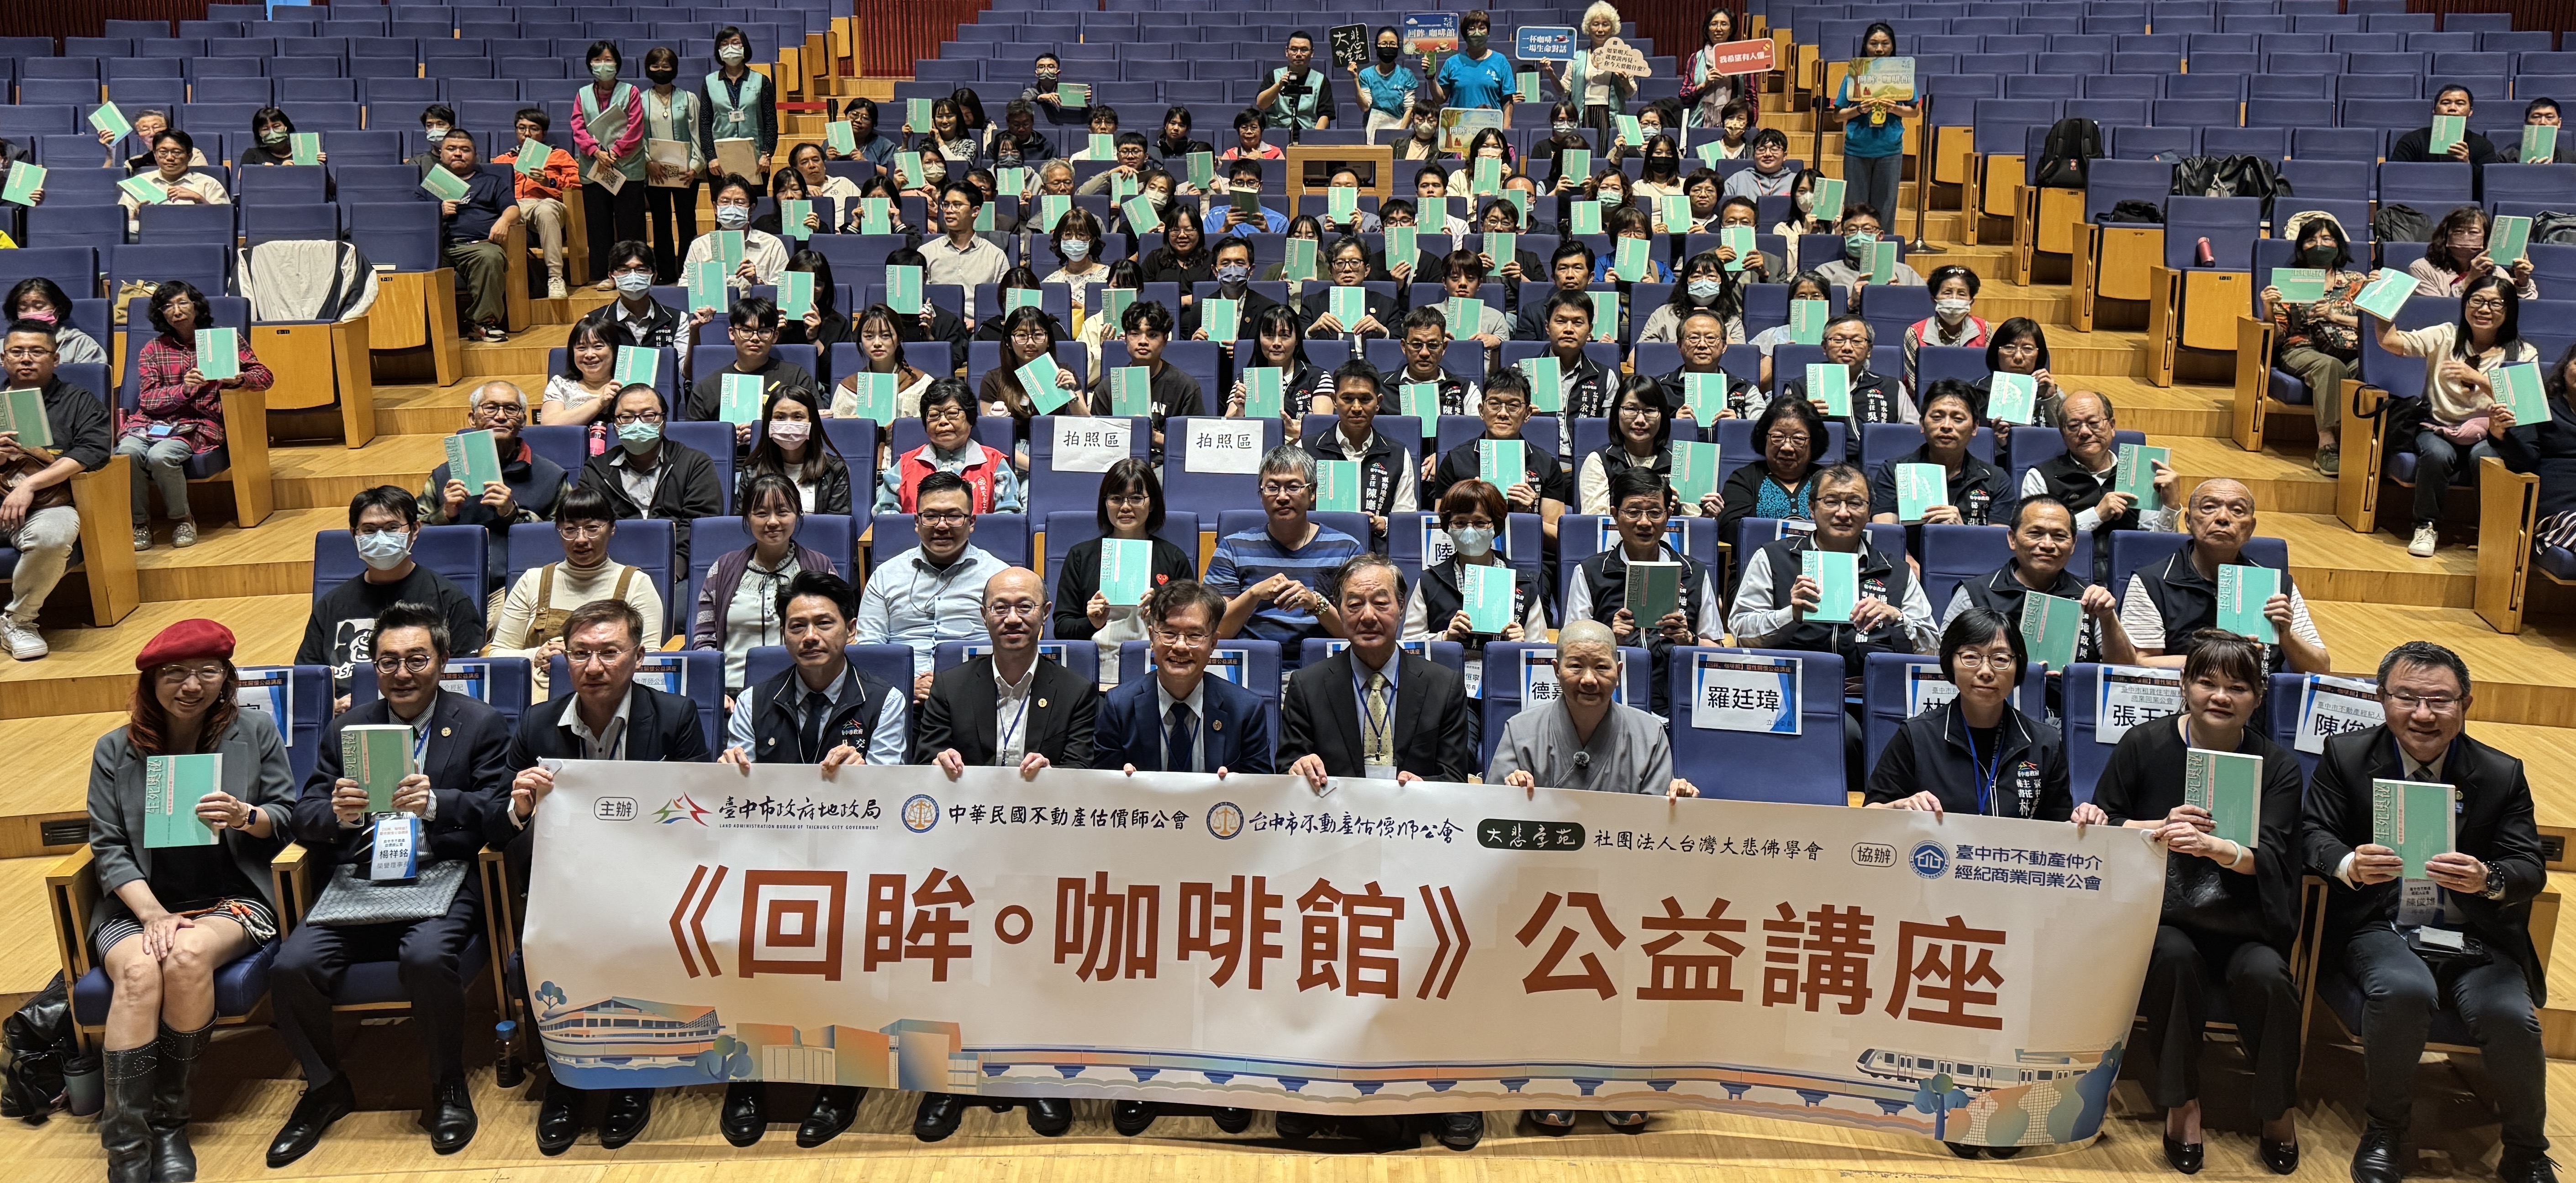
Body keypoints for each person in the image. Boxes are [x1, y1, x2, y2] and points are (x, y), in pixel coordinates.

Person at [265, 603, 515, 1166]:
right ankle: (325, 1086)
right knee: (291, 966)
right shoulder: (348, 728)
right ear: (373, 667)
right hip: (361, 876)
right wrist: (338, 814)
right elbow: (305, 815)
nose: (402, 673)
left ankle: (447, 1082)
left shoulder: (479, 722)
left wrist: (439, 803)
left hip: (443, 871)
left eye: (416, 659)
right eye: (388, 661)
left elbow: (499, 812)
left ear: (443, 661)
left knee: (426, 957)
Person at [2302, 641, 2550, 1183]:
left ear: (2465, 704)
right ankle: (2384, 1131)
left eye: (2439, 700)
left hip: (2473, 934)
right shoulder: (2346, 756)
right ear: (2381, 698)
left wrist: (2489, 877)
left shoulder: (2501, 773)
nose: (2422, 714)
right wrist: (2348, 862)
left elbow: (2529, 865)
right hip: (2381, 924)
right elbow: (2312, 833)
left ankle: (2527, 1150)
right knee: (2403, 989)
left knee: (2510, 1015)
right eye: (2407, 697)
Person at [84, 619, 294, 1183]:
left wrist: (246, 816)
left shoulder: (254, 731)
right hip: (138, 906)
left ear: (226, 677)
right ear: (151, 682)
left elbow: (287, 815)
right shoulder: (115, 749)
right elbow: (108, 847)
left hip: (232, 897)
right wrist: (152, 914)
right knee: (137, 972)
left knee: (186, 955)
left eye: (207, 671)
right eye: (175, 673)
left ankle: (170, 1123)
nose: (191, 685)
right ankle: (126, 1148)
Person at [2091, 630, 2304, 1176]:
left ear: (2258, 696)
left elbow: (2275, 855)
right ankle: (2182, 1103)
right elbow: (2104, 825)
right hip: (2164, 914)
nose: (2221, 696)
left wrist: (2219, 848)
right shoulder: (2143, 744)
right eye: (2207, 682)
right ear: (2183, 685)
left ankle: (2277, 1108)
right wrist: (2157, 827)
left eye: (2238, 687)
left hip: (2243, 920)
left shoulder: (2277, 764)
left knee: (2270, 978)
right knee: (2173, 957)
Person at [502, 599, 711, 1156]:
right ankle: (565, 1077)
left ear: (638, 657)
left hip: (653, 882)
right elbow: (499, 819)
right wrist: (519, 805)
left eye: (609, 652)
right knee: (545, 943)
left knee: (639, 937)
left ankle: (631, 1076)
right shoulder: (536, 723)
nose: (593, 666)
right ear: (564, 659)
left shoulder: (675, 716)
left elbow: (704, 813)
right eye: (580, 653)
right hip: (565, 886)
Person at [710, 570, 903, 1148]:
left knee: (849, 935)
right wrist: (728, 775)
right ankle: (747, 1075)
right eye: (797, 626)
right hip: (769, 860)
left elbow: (894, 801)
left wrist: (868, 777)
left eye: (824, 623)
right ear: (783, 634)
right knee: (736, 934)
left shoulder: (884, 699)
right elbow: (734, 801)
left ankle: (842, 1080)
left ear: (851, 628)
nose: (811, 636)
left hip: (855, 862)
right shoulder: (754, 699)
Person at [1486, 618, 1696, 1128]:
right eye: (1575, 665)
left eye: (1600, 667)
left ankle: (1621, 1080)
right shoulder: (1521, 731)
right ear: (1555, 668)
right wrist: (1510, 795)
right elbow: (1489, 826)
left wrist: (1678, 804)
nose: (1588, 679)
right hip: (1542, 895)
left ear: (1618, 671)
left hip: (1622, 893)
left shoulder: (1649, 734)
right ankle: (1550, 1078)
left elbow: (1656, 835)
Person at [1729, 462, 1936, 789]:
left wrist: (1897, 618)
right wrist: (1791, 615)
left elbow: (1933, 647)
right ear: (1811, 508)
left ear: (1869, 511)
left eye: (1855, 503)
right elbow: (1741, 630)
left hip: (1873, 695)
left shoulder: (1895, 572)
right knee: (1844, 734)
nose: (1843, 512)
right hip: (1794, 692)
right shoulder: (1773, 558)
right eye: (1831, 501)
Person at [1864, 609, 2094, 831]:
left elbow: (2060, 830)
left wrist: (2085, 823)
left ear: (2018, 667)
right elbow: (1868, 816)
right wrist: (1900, 807)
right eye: (1971, 657)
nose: (1986, 671)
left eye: (2001, 659)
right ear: (1950, 663)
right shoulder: (1916, 737)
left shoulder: (2045, 744)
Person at [2366, 273, 2540, 557]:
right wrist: (2382, 297)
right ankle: (2426, 526)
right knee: (2437, 454)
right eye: (2477, 301)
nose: (2484, 309)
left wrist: (2478, 378)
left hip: (2489, 434)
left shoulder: (2523, 353)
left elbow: (2527, 404)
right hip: (2438, 427)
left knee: (2485, 458)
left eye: (2496, 304)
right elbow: (2391, 342)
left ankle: (2491, 532)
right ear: (2465, 304)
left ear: (2509, 310)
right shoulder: (2445, 335)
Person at [2118, 478, 2331, 674]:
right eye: (2209, 508)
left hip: (2259, 698)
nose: (2222, 518)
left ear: (2251, 528)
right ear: (2189, 521)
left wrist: (2287, 636)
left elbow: (2320, 669)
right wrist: (2220, 657)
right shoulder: (2152, 582)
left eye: (2237, 510)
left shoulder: (2275, 585)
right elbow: (2138, 663)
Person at [295, 487, 487, 704]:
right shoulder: (330, 605)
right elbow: (307, 680)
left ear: (414, 530)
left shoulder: (450, 600)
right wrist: (332, 705)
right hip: (345, 717)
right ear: (354, 535)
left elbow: (464, 681)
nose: (380, 538)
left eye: (392, 528)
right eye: (369, 530)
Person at [118, 283, 273, 552]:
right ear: (161, 314)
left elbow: (265, 377)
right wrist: (184, 390)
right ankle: (140, 523)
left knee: (160, 456)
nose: (176, 311)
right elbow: (148, 401)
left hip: (199, 424)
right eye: (168, 307)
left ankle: (182, 520)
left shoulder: (223, 341)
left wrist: (240, 379)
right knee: (126, 453)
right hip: (151, 424)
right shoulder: (153, 349)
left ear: (195, 306)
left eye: (182, 303)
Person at [1566, 468, 1724, 711]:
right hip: (1609, 702)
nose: (1644, 522)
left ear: (1668, 515)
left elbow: (1718, 654)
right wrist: (1610, 639)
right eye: (1633, 512)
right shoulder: (1590, 572)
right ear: (1615, 515)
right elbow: (1570, 650)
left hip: (1677, 700)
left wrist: (1688, 639)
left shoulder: (1694, 573)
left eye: (1654, 513)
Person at [0, 321, 108, 660]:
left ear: (56, 359)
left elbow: (94, 451)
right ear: (3, 358)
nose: (26, 359)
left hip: (47, 503)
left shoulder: (79, 401)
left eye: (37, 351)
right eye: (17, 352)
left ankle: (19, 621)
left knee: (53, 534)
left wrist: (31, 484)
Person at [1208, 445, 1367, 670]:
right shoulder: (1232, 548)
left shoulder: (1346, 549)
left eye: (1293, 487)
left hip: (1325, 672)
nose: (1282, 497)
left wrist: (1316, 604)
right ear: (1261, 495)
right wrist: (1254, 594)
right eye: (1272, 488)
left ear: (1312, 492)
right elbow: (1216, 632)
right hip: (1252, 670)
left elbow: (1360, 630)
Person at [853, 472, 1013, 695]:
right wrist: (905, 685)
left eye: (954, 516)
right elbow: (869, 647)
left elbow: (1012, 645)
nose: (942, 526)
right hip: (900, 695)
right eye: (931, 516)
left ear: (972, 523)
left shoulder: (999, 577)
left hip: (976, 692)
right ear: (917, 522)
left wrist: (953, 687)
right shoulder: (885, 576)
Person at [487, 484, 667, 678]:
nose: (581, 539)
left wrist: (583, 657)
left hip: (609, 689)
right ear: (559, 531)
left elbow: (648, 660)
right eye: (570, 529)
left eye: (592, 528)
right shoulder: (532, 581)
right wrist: (536, 655)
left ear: (612, 529)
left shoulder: (637, 584)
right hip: (539, 690)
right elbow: (498, 654)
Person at [1942, 496, 2141, 667]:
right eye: (2035, 534)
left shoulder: (2091, 597)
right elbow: (1946, 661)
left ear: (2073, 545)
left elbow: (2124, 672)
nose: (2047, 545)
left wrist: (2107, 617)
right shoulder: (1976, 593)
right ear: (2012, 539)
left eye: (2059, 536)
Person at [690, 473, 839, 697]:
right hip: (732, 693)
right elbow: (704, 640)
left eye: (783, 512)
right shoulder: (722, 570)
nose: (772, 522)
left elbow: (837, 632)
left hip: (804, 693)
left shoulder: (820, 566)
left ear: (798, 514)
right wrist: (716, 693)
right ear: (747, 518)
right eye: (761, 514)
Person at [2017, 390, 2180, 584]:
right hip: (2063, 580)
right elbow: (2036, 540)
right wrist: (2097, 515)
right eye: (2074, 426)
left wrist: (2170, 507)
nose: (2085, 432)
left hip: (2131, 578)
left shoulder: (2140, 473)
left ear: (2112, 426)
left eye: (2094, 423)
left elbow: (2155, 546)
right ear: (2063, 434)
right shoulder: (2041, 476)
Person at [417, 380, 566, 587]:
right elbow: (412, 533)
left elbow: (565, 537)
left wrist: (513, 515)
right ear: (472, 419)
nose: (501, 416)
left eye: (511, 409)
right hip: (451, 581)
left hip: (522, 582)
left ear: (523, 421)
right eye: (491, 408)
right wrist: (445, 514)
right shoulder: (444, 476)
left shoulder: (552, 476)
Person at [574, 384, 725, 570]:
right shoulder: (596, 471)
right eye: (627, 417)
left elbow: (700, 526)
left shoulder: (695, 464)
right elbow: (589, 526)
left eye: (648, 416)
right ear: (615, 425)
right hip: (612, 568)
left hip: (680, 567)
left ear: (664, 421)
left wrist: (676, 568)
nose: (637, 424)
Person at [2263, 212, 2367, 475]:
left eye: (2327, 239)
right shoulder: (2291, 282)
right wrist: (2267, 307)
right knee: (2330, 367)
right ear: (2302, 247)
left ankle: (2363, 446)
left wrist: (2335, 316)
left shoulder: (2357, 282)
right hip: (2302, 349)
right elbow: (2278, 336)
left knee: (2365, 370)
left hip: (2350, 349)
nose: (2319, 245)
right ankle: (2327, 446)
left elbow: (2373, 325)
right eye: (2311, 240)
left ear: (2338, 245)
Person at [1424, 369, 1572, 548]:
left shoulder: (1547, 465)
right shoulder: (1455, 461)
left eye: (1513, 406)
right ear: (1481, 411)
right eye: (1494, 404)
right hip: (1469, 553)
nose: (1503, 413)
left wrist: (1526, 517)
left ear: (1527, 414)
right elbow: (1440, 528)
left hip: (1527, 554)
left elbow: (1558, 536)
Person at [1868, 379, 2014, 532]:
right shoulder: (1894, 472)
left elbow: (1998, 543)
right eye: (1937, 417)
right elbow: (1886, 537)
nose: (1946, 426)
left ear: (1975, 428)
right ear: (1922, 425)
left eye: (1958, 419)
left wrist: (1961, 532)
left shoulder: (1996, 480)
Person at [417, 130, 520, 344]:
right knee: (412, 263)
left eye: (465, 150)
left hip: (478, 246)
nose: (458, 154)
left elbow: (513, 209)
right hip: (439, 247)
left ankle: (483, 323)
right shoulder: (430, 186)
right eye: (451, 149)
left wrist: (504, 221)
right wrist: (438, 211)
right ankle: (419, 328)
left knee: (490, 257)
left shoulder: (491, 182)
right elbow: (413, 218)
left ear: (475, 155)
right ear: (441, 153)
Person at [1301, 361, 1418, 541]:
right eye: (1347, 399)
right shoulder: (1305, 450)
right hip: (1319, 549)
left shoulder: (1398, 454)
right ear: (1334, 400)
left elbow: (1406, 521)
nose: (1356, 408)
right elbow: (1293, 509)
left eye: (1365, 399)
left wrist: (1382, 523)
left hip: (1375, 550)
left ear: (1378, 403)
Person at [877, 379, 1024, 514]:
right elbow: (885, 514)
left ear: (970, 418)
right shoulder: (906, 464)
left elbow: (1007, 517)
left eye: (952, 413)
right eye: (934, 415)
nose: (943, 421)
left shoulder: (995, 463)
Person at [571, 41, 649, 293]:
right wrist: (595, 152)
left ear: (617, 63)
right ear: (590, 64)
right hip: (595, 169)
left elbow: (636, 127)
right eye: (598, 60)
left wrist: (615, 152)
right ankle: (605, 274)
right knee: (598, 225)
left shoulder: (631, 92)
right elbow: (578, 127)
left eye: (608, 60)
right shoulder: (583, 94)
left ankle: (637, 271)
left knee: (631, 225)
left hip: (626, 167)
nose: (603, 65)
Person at [2492, 343, 2576, 566]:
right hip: (2559, 509)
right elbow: (2524, 461)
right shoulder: (2537, 405)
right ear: (2566, 368)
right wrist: (2500, 434)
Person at [684, 296, 819, 435]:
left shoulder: (796, 377)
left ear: (775, 336)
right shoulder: (707, 388)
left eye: (764, 331)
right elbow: (695, 437)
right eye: (746, 331)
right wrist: (726, 439)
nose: (755, 338)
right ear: (732, 333)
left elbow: (818, 423)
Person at [1778, 314, 1912, 452]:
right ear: (1824, 347)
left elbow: (1913, 434)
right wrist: (1803, 415)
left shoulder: (1892, 388)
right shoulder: (1799, 388)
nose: (1847, 348)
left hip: (1880, 462)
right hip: (1819, 462)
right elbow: (1778, 432)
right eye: (1838, 340)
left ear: (1869, 350)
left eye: (1857, 341)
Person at [1581, 374, 1703, 516]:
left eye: (1650, 410)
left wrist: (1673, 513)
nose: (1640, 420)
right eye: (1631, 409)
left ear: (1663, 416)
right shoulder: (1600, 461)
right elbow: (1596, 523)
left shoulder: (1682, 463)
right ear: (1616, 413)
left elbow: (1694, 523)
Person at [1716, 395, 1828, 543]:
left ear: (1813, 443)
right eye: (1778, 437)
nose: (1787, 447)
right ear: (1765, 439)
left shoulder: (1828, 481)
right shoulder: (1744, 479)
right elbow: (1729, 529)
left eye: (1798, 439)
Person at [494, 109, 581, 299]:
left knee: (546, 209)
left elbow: (579, 182)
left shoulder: (559, 155)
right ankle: (511, 284)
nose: (527, 134)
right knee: (502, 215)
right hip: (516, 206)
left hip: (547, 204)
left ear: (544, 133)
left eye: (533, 129)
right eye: (522, 128)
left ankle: (555, 278)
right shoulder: (503, 160)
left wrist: (550, 181)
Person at [1833, 23, 1914, 226]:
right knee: (1855, 209)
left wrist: (1895, 108)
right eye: (1874, 44)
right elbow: (1837, 115)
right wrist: (1859, 110)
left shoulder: (1902, 75)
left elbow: (1914, 111)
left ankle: (1883, 246)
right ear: (1865, 45)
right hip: (1857, 150)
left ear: (1893, 46)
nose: (1879, 49)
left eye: (1885, 44)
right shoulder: (1854, 75)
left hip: (1889, 150)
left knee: (1885, 210)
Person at [1098, 300, 1203, 453]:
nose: (1143, 342)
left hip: (1165, 463)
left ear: (1165, 339)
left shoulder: (1186, 387)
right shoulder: (1108, 388)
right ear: (1125, 338)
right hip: (1119, 463)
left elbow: (1196, 447)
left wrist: (1153, 437)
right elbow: (1098, 444)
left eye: (1152, 335)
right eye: (1135, 334)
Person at [640, 47, 706, 283]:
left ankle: (689, 271)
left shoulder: (689, 99)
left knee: (687, 222)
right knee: (661, 222)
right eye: (655, 66)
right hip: (655, 172)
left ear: (674, 69)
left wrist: (695, 166)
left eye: (666, 66)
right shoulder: (640, 100)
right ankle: (666, 273)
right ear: (648, 69)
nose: (661, 70)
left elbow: (698, 133)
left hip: (686, 173)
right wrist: (648, 162)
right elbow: (638, 136)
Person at [1223, 304, 1333, 421]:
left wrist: (1293, 428)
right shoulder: (1245, 381)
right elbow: (1225, 428)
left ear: (1297, 340)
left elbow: (1321, 427)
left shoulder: (1319, 378)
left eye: (1285, 335)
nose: (1276, 343)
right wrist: (1239, 413)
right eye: (1269, 335)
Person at [680, 173, 790, 290]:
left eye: (740, 202)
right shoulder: (700, 246)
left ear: (751, 210)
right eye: (725, 201)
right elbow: (685, 287)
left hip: (755, 302)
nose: (732, 208)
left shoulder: (772, 245)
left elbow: (784, 290)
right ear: (715, 208)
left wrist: (757, 283)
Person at [2410, 204, 2541, 300]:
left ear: (2485, 239)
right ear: (2445, 236)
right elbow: (2438, 312)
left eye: (2473, 232)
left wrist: (2523, 283)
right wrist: (2470, 279)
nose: (2466, 236)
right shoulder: (2421, 268)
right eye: (2459, 231)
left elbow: (2521, 310)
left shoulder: (2496, 271)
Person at [834, 304, 939, 423]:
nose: (877, 343)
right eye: (869, 336)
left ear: (899, 339)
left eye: (886, 336)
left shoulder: (922, 385)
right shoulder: (847, 389)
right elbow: (835, 431)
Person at [925, 183, 1012, 320]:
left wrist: (979, 322)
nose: (949, 210)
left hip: (981, 326)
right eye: (946, 205)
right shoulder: (926, 252)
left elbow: (1005, 302)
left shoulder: (996, 255)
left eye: (957, 205)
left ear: (975, 211)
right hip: (938, 325)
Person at [701, 26, 778, 181]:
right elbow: (705, 123)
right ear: (719, 50)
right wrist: (711, 157)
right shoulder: (710, 82)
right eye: (724, 44)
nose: (730, 48)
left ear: (745, 47)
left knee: (754, 197)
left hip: (756, 158)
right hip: (720, 160)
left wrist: (767, 154)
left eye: (735, 43)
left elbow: (771, 122)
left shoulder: (761, 81)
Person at [582, 240, 686, 351]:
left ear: (654, 277)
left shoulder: (677, 320)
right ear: (612, 277)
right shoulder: (593, 322)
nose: (633, 276)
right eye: (624, 270)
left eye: (641, 270)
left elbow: (684, 362)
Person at [119, 130, 229, 233]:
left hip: (195, 239)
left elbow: (225, 224)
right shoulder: (139, 184)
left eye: (177, 152)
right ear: (155, 155)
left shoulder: (208, 184)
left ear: (189, 156)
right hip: (151, 241)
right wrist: (137, 216)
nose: (170, 158)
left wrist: (200, 200)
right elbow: (122, 225)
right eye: (163, 152)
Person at [1902, 265, 1988, 393]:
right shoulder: (1914, 333)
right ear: (1934, 299)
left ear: (1971, 301)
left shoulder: (1984, 329)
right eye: (1947, 293)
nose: (1954, 299)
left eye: (1962, 294)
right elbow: (1918, 386)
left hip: (1973, 400)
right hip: (1929, 400)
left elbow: (1987, 378)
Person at [2387, 84, 2504, 176]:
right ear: (2434, 110)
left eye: (2460, 104)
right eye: (2446, 103)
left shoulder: (2484, 146)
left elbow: (2489, 184)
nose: (2452, 108)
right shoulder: (2412, 141)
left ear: (2470, 112)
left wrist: (2467, 165)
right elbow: (2394, 175)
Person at [1975, 316, 2064, 435]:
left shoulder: (2052, 391)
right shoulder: (1977, 392)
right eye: (2009, 348)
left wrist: (2050, 399)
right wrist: (1994, 440)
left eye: (2028, 349)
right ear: (1996, 353)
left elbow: (2067, 436)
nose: (2018, 357)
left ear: (2039, 354)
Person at [1747, 271, 1836, 386]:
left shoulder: (1839, 336)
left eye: (1816, 296)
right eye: (1802, 296)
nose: (1809, 301)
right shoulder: (1774, 336)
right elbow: (1761, 386)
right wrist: (1782, 360)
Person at [1424, 9, 1517, 117]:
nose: (1477, 32)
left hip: (1490, 125)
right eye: (1472, 29)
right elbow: (1440, 99)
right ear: (1465, 35)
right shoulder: (1452, 63)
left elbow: (1507, 100)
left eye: (1482, 28)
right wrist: (1431, 78)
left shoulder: (1501, 61)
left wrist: (1506, 126)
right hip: (1459, 124)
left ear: (1488, 33)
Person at [539, 320, 624, 437]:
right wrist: (600, 402)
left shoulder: (627, 385)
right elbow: (549, 425)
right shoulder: (560, 385)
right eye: (582, 348)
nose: (590, 355)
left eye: (598, 347)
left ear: (614, 350)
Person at [1810, 205, 1924, 292]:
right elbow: (1817, 310)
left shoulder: (1906, 273)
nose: (1859, 235)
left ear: (1880, 236)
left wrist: (1903, 296)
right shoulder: (1826, 273)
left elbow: (1926, 305)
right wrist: (1851, 302)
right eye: (1852, 230)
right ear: (1844, 237)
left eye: (1867, 229)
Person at [1681, 7, 1760, 129]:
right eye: (1714, 24)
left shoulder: (1744, 57)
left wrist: (1750, 125)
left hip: (1734, 125)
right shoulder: (1696, 59)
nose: (1719, 29)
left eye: (1724, 24)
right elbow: (1685, 97)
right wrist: (1704, 85)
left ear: (1731, 30)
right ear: (1707, 29)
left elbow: (1751, 95)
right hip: (1700, 125)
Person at [1397, 305, 1485, 413]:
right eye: (1416, 345)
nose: (1424, 353)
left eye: (1433, 345)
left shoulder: (1466, 389)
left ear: (1444, 348)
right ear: (1404, 347)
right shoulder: (1383, 388)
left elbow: (1479, 423)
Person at [5, 278, 106, 367]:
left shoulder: (81, 345)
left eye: (39, 307)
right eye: (23, 308)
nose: (31, 313)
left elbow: (94, 380)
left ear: (58, 310)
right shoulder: (4, 346)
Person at [1510, 242, 1596, 341]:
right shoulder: (1533, 313)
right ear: (1554, 278)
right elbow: (1526, 349)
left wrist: (1604, 346)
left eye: (1577, 268)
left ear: (1590, 277)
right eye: (1563, 269)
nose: (1570, 275)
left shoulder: (1606, 313)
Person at [1257, 30, 1337, 131]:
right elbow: (1261, 105)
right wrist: (1278, 85)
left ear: (1312, 53)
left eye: (1304, 50)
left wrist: (1314, 137)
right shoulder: (1274, 76)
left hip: (1307, 133)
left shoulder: (1321, 80)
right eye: (1294, 50)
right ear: (1287, 52)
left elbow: (1325, 115)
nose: (1299, 54)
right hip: (1278, 133)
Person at [1352, 26, 1419, 144]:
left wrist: (1399, 135)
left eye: (1393, 44)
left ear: (1398, 48)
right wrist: (1355, 80)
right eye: (1384, 44)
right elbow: (1365, 107)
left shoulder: (1407, 75)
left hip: (1400, 128)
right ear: (1377, 48)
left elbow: (1409, 109)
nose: (1388, 47)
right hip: (1372, 129)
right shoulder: (1366, 75)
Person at [1206, 159, 1291, 240]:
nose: (1245, 188)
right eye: (1239, 183)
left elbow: (1280, 249)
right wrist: (1224, 229)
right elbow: (1205, 247)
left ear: (1260, 186)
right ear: (1230, 185)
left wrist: (1266, 232)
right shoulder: (1214, 216)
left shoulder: (1280, 222)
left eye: (1251, 183)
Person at [1720, 128, 1796, 200]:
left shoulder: (1796, 181)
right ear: (1754, 155)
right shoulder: (1738, 180)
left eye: (1774, 150)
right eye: (1761, 150)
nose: (1768, 154)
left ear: (1784, 156)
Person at [233, 106, 310, 168]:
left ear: (287, 127)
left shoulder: (304, 152)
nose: (272, 133)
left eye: (276, 126)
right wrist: (276, 171)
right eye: (265, 129)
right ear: (259, 134)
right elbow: (243, 179)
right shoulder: (252, 155)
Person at [2503, 96, 2575, 161]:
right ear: (2526, 123)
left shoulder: (2572, 160)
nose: (2543, 122)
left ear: (2559, 123)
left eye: (2549, 117)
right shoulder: (2506, 158)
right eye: (2536, 117)